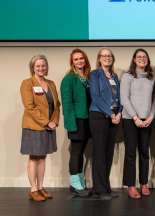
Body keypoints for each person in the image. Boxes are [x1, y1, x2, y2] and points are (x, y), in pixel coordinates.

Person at [20, 54, 60, 201]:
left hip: (49, 126)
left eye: (43, 65)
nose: (41, 68)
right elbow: (29, 107)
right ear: (33, 68)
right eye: (38, 66)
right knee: (34, 157)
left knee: (43, 157)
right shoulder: (27, 83)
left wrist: (54, 120)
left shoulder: (51, 83)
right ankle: (33, 189)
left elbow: (57, 105)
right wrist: (46, 122)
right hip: (34, 126)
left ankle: (41, 187)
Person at [120, 48, 155, 199]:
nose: (142, 59)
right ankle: (131, 186)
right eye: (139, 57)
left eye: (144, 57)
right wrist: (135, 117)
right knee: (130, 153)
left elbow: (154, 100)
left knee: (144, 153)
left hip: (147, 120)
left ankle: (144, 183)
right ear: (134, 60)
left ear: (147, 60)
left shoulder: (151, 77)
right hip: (130, 119)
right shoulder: (127, 76)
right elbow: (124, 99)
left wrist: (151, 116)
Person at [89, 48, 122, 200]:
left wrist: (119, 112)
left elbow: (119, 97)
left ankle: (106, 187)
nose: (107, 58)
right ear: (99, 58)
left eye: (109, 56)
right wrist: (111, 114)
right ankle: (99, 189)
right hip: (99, 116)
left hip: (114, 118)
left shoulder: (115, 76)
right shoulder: (95, 75)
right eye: (104, 56)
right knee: (99, 154)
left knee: (108, 153)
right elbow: (95, 97)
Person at [60, 48, 91, 197]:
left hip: (86, 120)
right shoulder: (69, 79)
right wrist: (71, 125)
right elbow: (67, 104)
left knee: (81, 153)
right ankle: (74, 184)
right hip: (76, 121)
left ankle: (79, 181)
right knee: (76, 153)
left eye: (81, 58)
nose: (79, 61)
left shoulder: (86, 78)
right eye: (76, 59)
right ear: (72, 62)